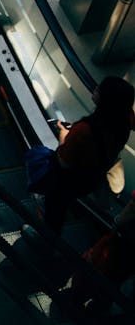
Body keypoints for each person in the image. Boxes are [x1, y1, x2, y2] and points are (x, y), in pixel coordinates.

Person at [37, 76, 134, 235]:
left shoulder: (84, 130)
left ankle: (46, 239)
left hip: (70, 179)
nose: (95, 89)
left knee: (55, 208)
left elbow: (63, 161)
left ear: (106, 100)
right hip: (92, 178)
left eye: (99, 89)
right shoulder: (125, 120)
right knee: (69, 198)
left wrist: (64, 134)